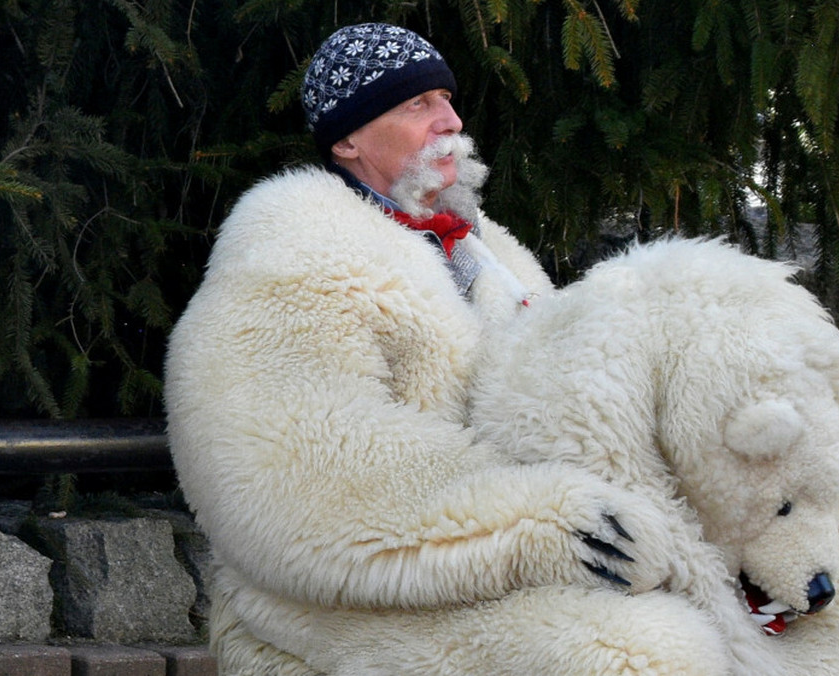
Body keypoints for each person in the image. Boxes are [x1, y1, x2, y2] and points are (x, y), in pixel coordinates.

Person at [164, 22, 729, 675]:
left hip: (512, 565)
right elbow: (293, 472)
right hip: (343, 593)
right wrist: (534, 525)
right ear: (347, 138)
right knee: (639, 657)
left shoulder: (489, 253)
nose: (452, 120)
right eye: (418, 104)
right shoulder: (289, 259)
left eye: (447, 99)